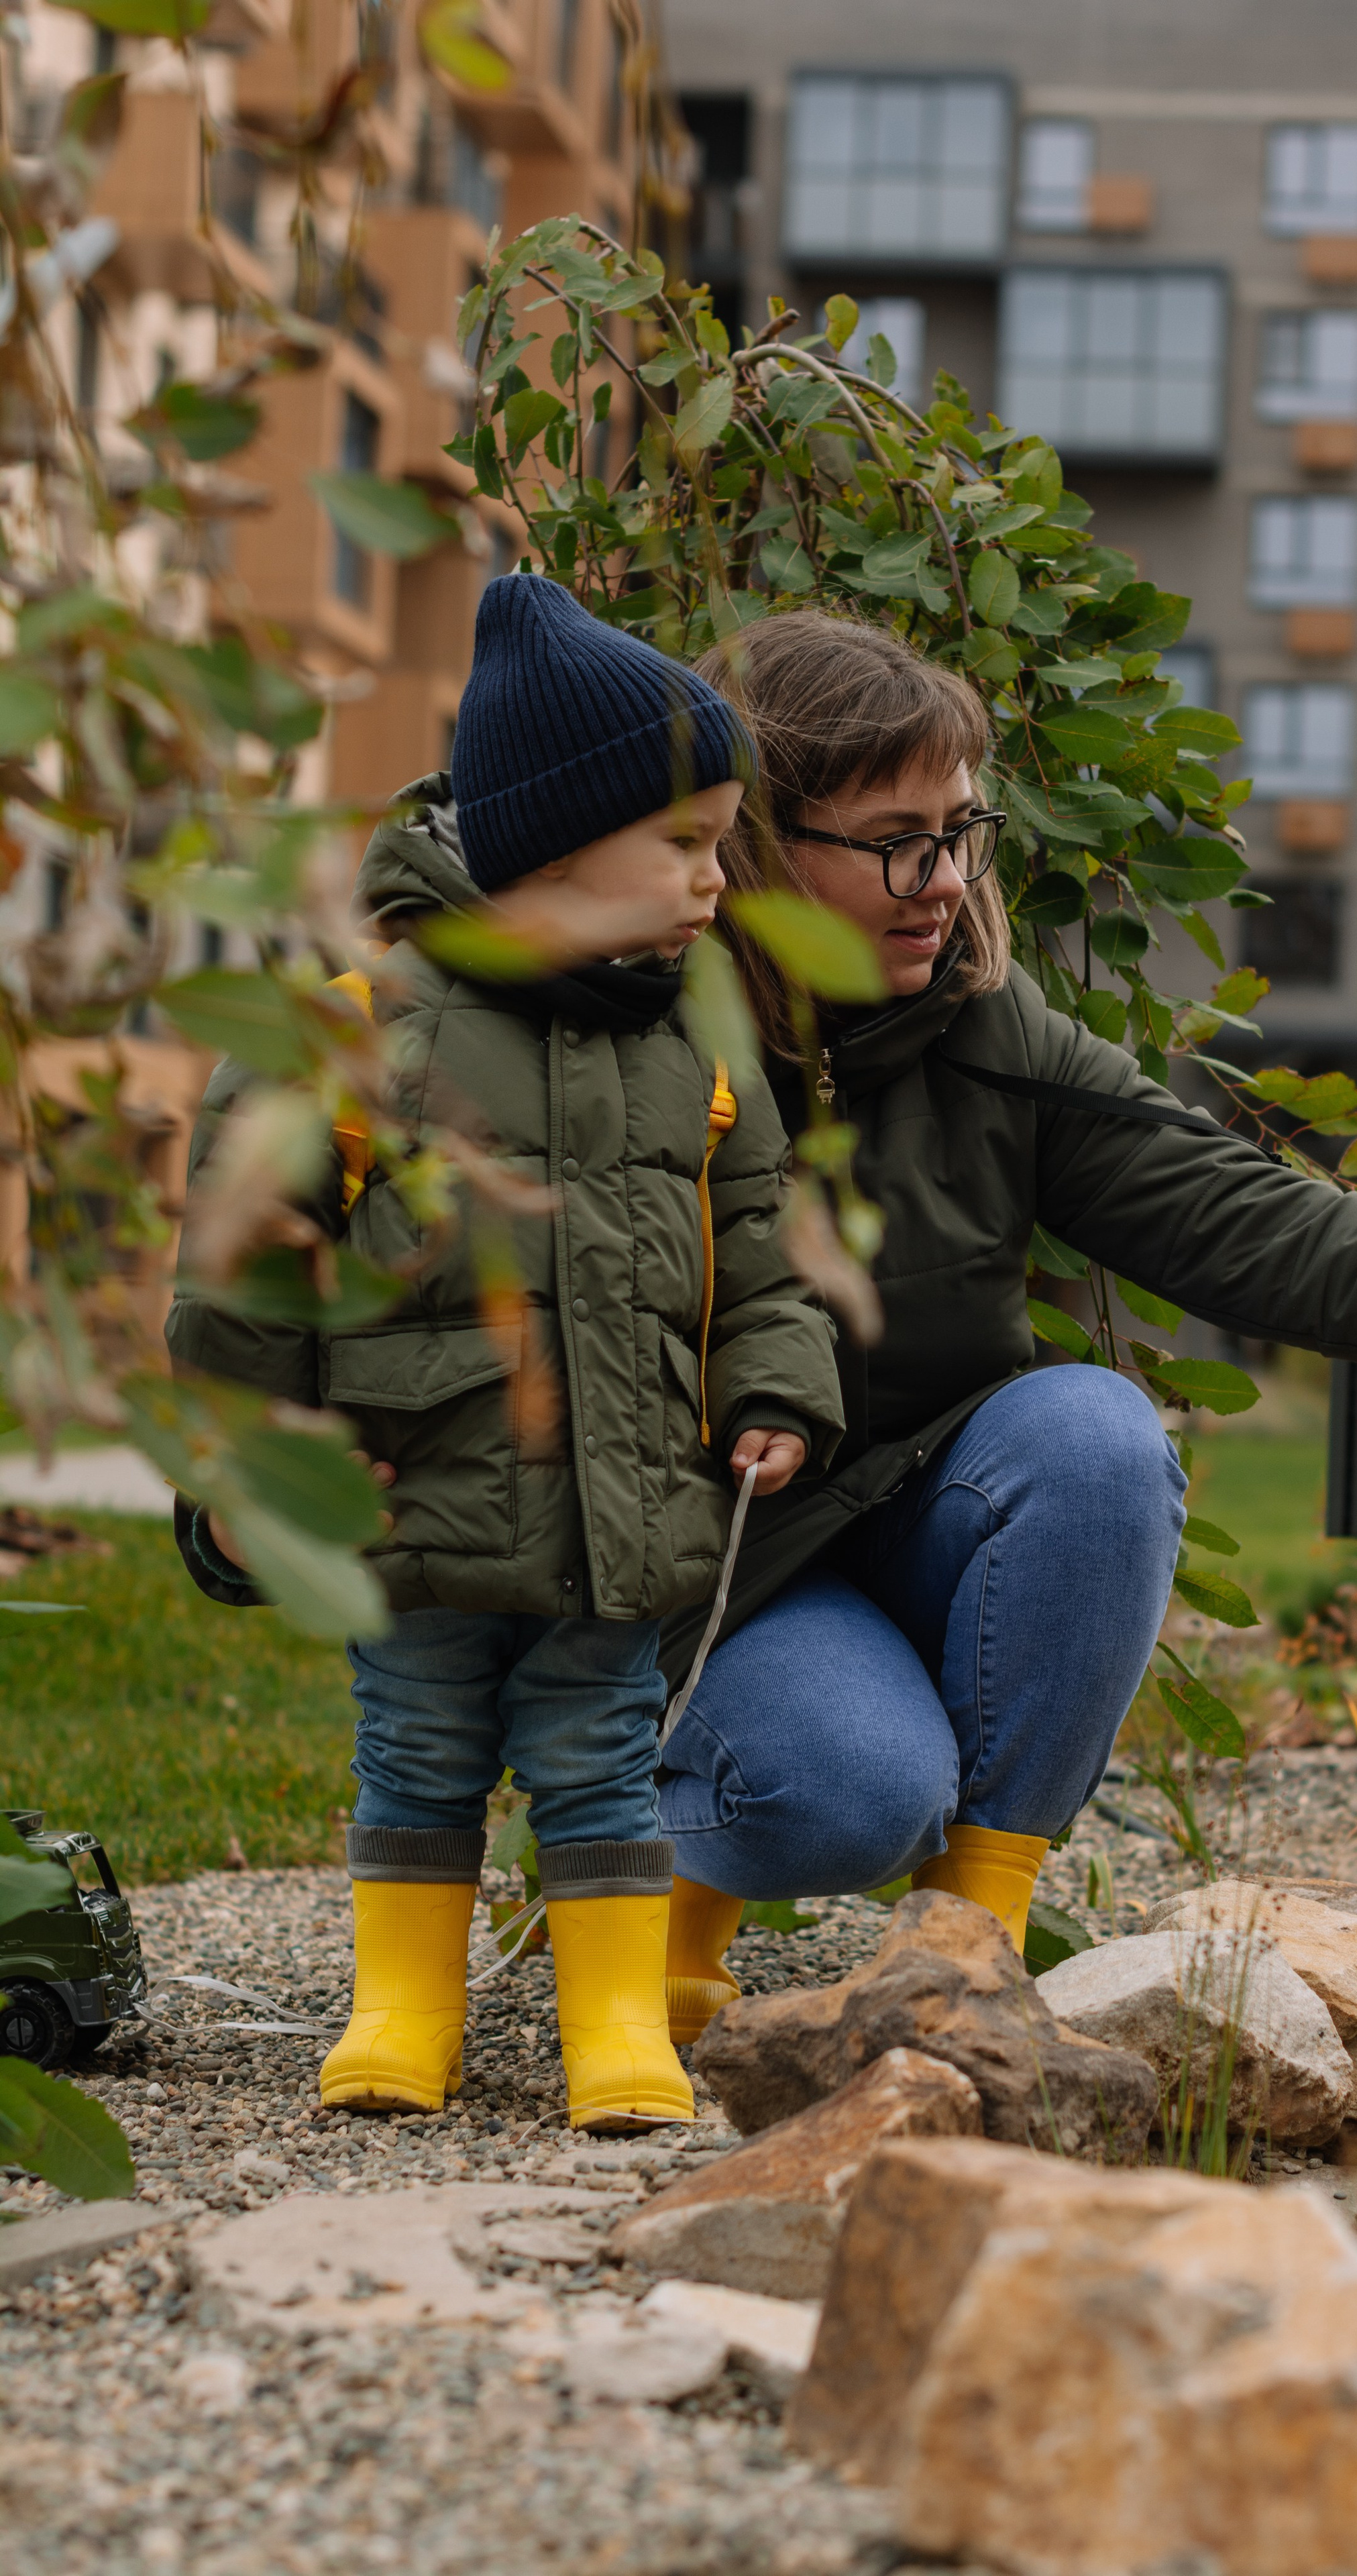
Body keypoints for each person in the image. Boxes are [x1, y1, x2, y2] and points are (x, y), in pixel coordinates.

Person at [653, 606, 1357, 2039]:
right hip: (716, 1575)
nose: (937, 884)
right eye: (893, 839)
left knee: (1092, 1435)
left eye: (960, 833)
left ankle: (971, 1954)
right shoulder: (636, 1051)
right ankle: (661, 1893)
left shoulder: (980, 1025)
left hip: (907, 1512)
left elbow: (1249, 1219)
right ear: (759, 844)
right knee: (845, 1798)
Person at [165, 575, 844, 2130]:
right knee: (415, 1743)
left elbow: (758, 1269)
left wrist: (771, 1390)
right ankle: (404, 2007)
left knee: (600, 1752)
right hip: (415, 1499)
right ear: (551, 841)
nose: (711, 884)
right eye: (683, 845)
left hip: (621, 1506)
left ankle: (615, 2027)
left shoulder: (695, 1051)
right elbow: (243, 1287)